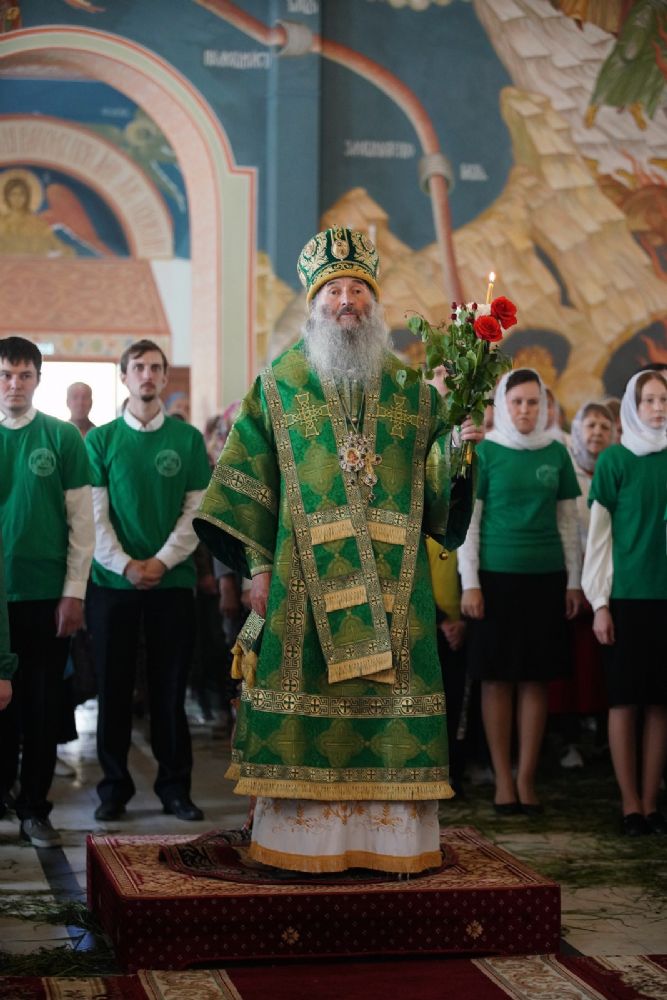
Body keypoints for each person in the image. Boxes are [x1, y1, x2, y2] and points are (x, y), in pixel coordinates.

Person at [194, 226, 479, 874]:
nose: (346, 301)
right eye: (333, 290)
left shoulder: (413, 391)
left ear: (373, 301)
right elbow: (248, 483)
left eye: (357, 289)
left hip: (393, 584)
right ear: (314, 302)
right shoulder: (279, 383)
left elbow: (436, 485)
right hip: (301, 582)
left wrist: (458, 450)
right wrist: (258, 568)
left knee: (387, 713)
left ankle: (390, 844)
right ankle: (303, 844)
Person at [86, 339, 211, 823]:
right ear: (124, 376)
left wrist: (160, 562)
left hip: (172, 583)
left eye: (155, 368)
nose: (147, 375)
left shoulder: (187, 440)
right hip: (111, 584)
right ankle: (113, 789)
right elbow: (94, 515)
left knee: (169, 690)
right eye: (138, 367)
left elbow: (196, 511)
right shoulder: (101, 441)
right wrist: (126, 565)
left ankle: (175, 789)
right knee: (113, 690)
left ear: (164, 377)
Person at [458, 368, 584, 815]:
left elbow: (568, 522)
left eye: (533, 402)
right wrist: (470, 583)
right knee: (496, 679)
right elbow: (470, 524)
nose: (526, 410)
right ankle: (502, 780)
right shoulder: (486, 452)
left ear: (544, 406)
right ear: (503, 405)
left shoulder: (558, 451)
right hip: (495, 579)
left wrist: (574, 580)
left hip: (546, 578)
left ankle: (527, 779)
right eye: (517, 402)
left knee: (535, 678)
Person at [0, 337, 94, 847]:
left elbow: (82, 524)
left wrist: (73, 593)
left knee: (39, 705)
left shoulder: (62, 438)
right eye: (5, 374)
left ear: (38, 379)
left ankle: (35, 808)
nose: (14, 384)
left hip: (44, 595)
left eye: (24, 375)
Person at [582, 370, 667, 836]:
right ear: (633, 407)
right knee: (625, 701)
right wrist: (599, 602)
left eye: (663, 399)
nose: (658, 408)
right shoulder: (615, 459)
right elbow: (599, 539)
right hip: (625, 598)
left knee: (659, 704)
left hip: (663, 596)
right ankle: (630, 803)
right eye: (649, 400)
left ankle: (652, 802)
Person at [550, 401, 616, 768]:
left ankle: (605, 738)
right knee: (572, 663)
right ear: (577, 431)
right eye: (590, 425)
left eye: (604, 427)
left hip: (609, 576)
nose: (597, 433)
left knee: (604, 661)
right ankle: (568, 738)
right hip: (572, 575)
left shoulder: (618, 469)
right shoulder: (567, 470)